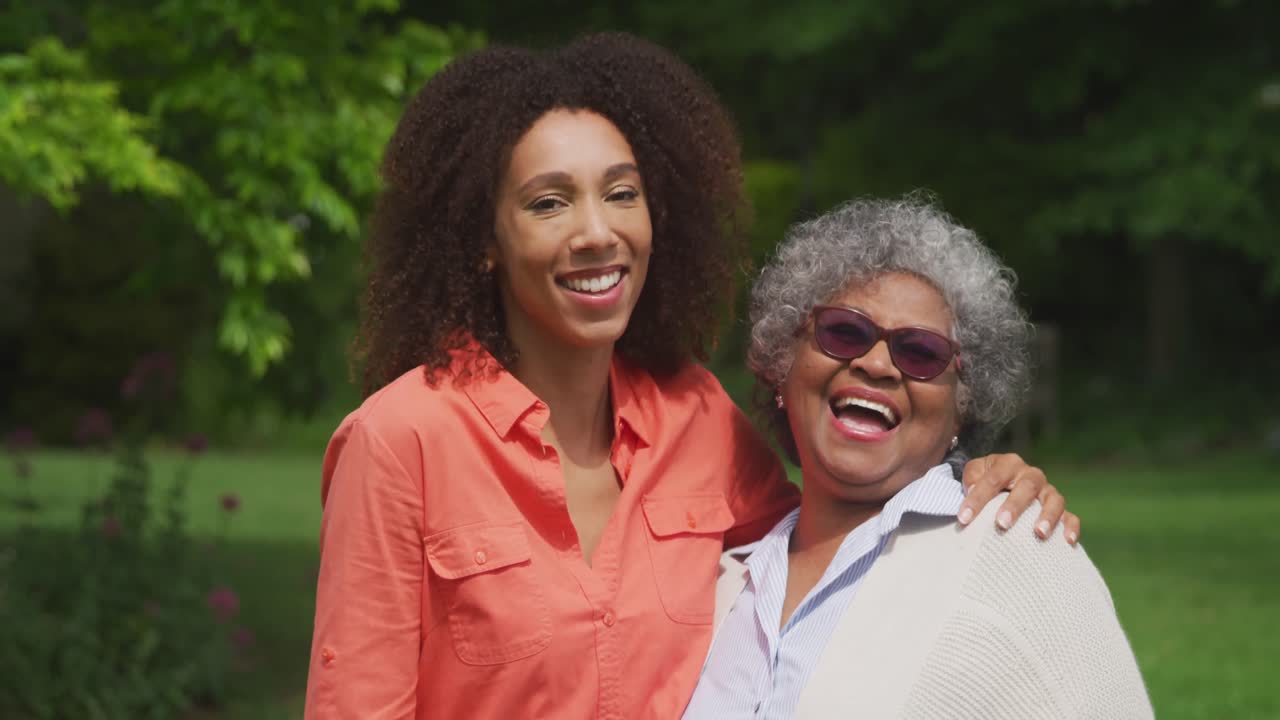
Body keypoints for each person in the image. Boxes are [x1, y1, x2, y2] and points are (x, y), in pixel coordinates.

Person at [304, 35, 1079, 720]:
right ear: (484, 242)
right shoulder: (399, 441)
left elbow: (831, 541)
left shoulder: (694, 417)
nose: (597, 233)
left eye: (621, 193)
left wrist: (973, 475)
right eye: (549, 203)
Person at [685, 195, 1151, 719]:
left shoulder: (1022, 552)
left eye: (921, 353)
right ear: (782, 366)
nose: (878, 364)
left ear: (960, 409)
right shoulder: (719, 577)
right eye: (844, 332)